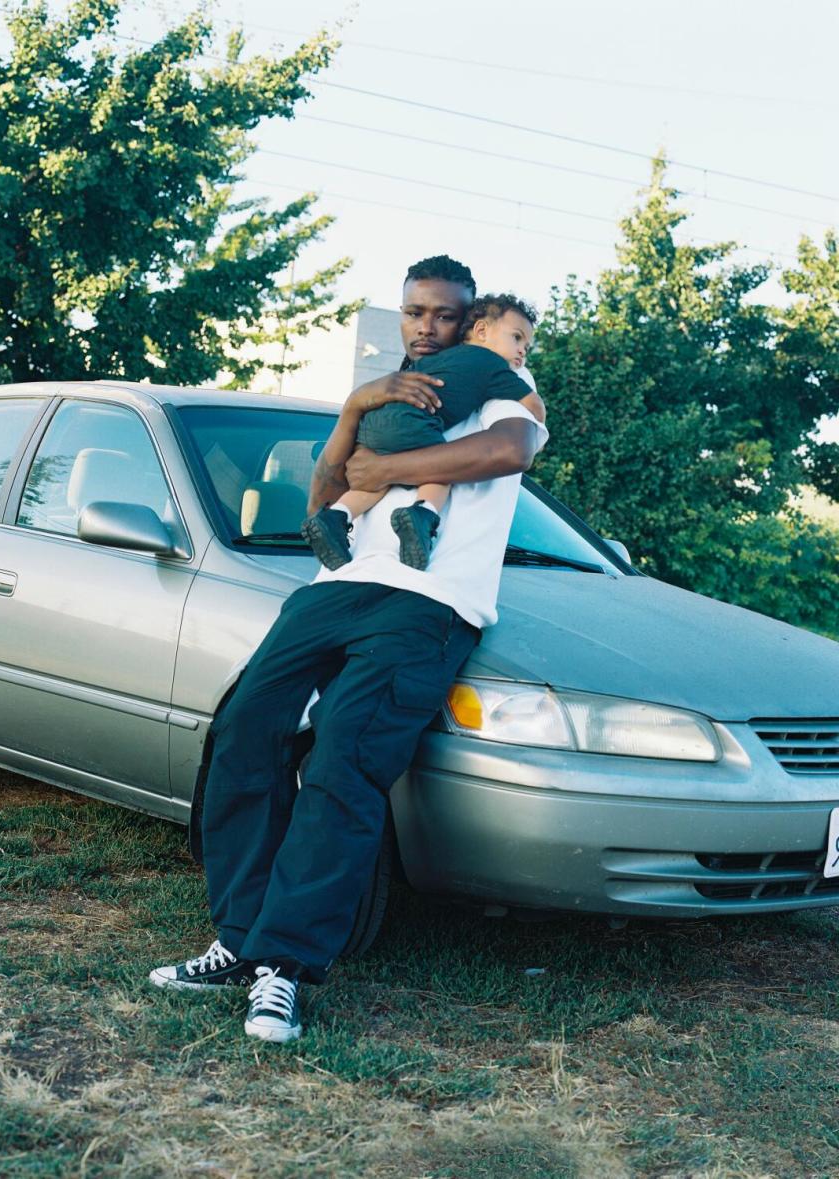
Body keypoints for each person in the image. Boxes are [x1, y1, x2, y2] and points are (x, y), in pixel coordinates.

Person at [148, 255, 549, 1044]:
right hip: (334, 590)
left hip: (427, 603)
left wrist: (389, 468)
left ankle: (284, 968)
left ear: (473, 322)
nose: (427, 329)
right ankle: (240, 936)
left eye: (445, 316)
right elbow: (326, 496)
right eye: (413, 314)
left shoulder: (508, 384)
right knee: (240, 733)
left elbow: (507, 453)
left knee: (342, 760)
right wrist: (356, 409)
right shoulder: (384, 397)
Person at [300, 292, 541, 571]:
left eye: (527, 345)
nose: (522, 350)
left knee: (374, 483)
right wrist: (539, 428)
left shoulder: (429, 361)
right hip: (414, 421)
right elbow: (532, 404)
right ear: (482, 331)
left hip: (378, 418)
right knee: (440, 469)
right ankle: (422, 513)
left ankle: (337, 516)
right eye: (517, 338)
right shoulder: (495, 365)